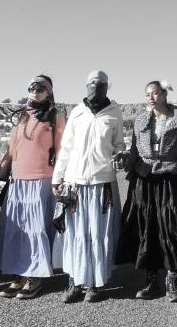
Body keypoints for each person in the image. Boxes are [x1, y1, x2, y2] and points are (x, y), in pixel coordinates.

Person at [117, 80, 177, 302]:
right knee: (147, 226)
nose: (151, 97)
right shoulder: (141, 119)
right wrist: (125, 159)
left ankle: (172, 279)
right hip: (143, 177)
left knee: (172, 226)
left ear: (164, 94)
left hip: (169, 176)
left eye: (155, 93)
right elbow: (134, 150)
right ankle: (151, 279)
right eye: (147, 94)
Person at [51, 70, 125, 303]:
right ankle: (74, 282)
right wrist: (58, 176)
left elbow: (118, 144)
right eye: (91, 84)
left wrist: (120, 155)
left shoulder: (114, 113)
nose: (95, 87)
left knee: (98, 234)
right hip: (75, 183)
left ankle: (95, 283)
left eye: (100, 84)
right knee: (75, 234)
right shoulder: (77, 112)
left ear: (107, 87)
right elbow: (66, 148)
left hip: (102, 183)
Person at [0, 74, 65, 300]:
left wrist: (60, 179)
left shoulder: (55, 117)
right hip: (18, 181)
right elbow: (13, 149)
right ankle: (19, 274)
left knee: (35, 230)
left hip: (42, 180)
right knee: (17, 230)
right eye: (32, 87)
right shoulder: (21, 116)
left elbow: (62, 150)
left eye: (41, 87)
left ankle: (35, 276)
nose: (35, 90)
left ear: (49, 92)